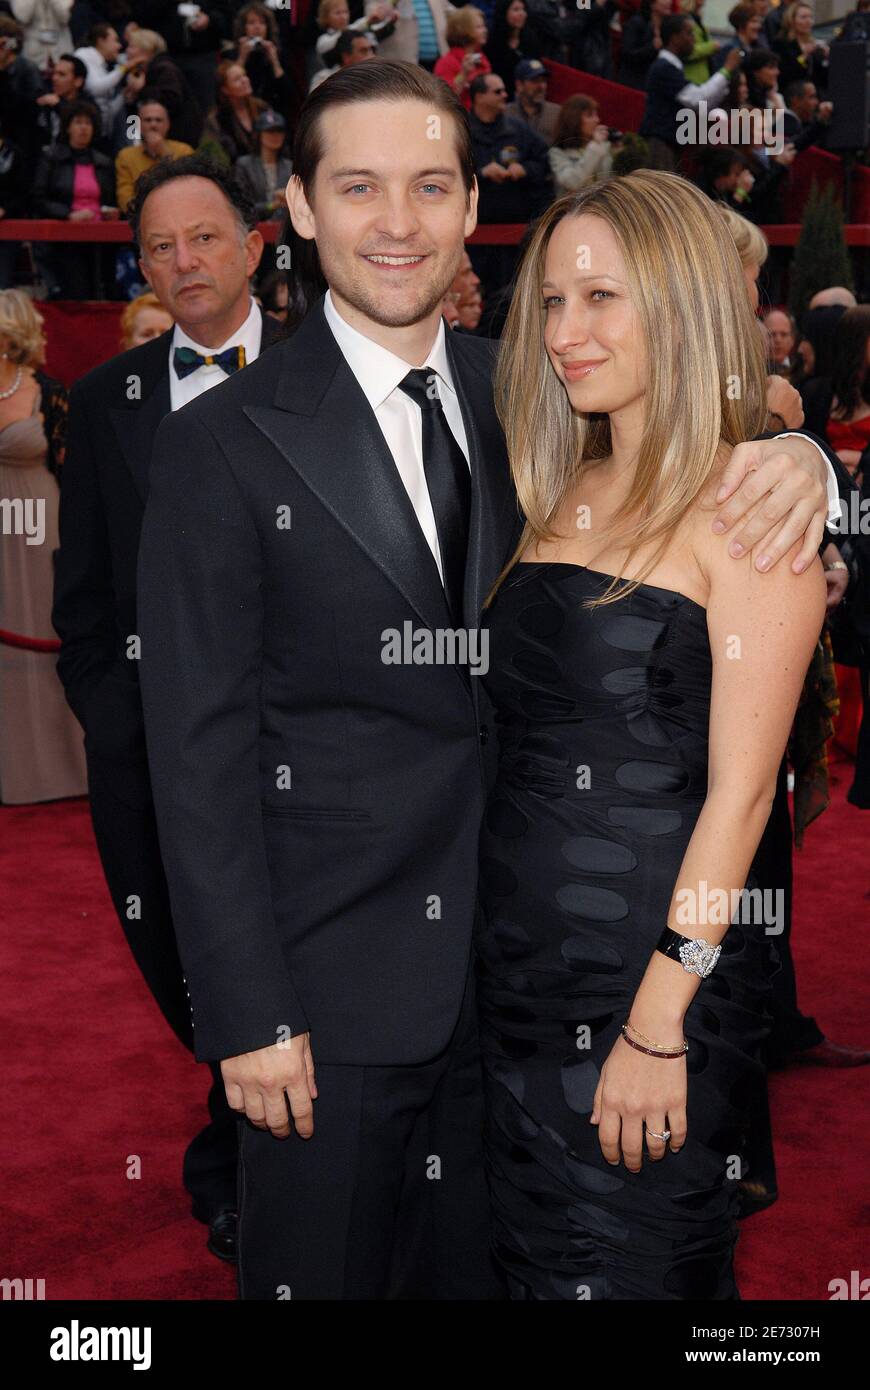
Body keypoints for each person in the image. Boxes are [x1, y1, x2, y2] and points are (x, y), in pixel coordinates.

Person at [134, 58, 841, 1302]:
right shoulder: (216, 450)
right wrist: (243, 1011)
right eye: (356, 187)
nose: (395, 223)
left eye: (427, 186)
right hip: (331, 1007)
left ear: (472, 207)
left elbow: (692, 460)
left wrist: (802, 460)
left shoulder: (524, 402)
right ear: (296, 209)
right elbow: (189, 760)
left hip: (527, 989)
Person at [476, 169, 827, 1300]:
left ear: (679, 303)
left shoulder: (749, 508)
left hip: (650, 983)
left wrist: (661, 1021)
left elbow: (741, 798)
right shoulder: (552, 484)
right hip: (509, 976)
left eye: (601, 298)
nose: (566, 333)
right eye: (548, 304)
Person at [51, 154, 289, 1266]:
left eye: (204, 238)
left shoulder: (334, 372)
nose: (183, 262)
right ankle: (238, 1126)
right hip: (158, 761)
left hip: (313, 749)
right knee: (190, 957)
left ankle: (269, 1166)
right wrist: (119, 726)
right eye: (159, 246)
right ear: (139, 264)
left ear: (254, 244)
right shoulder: (105, 403)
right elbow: (82, 595)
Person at [0, 289, 86, 805]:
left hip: (35, 522)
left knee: (36, 626)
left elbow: (71, 471)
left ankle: (53, 770)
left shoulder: (47, 391)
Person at [31, 99, 118, 300]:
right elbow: (37, 198)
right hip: (65, 238)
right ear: (68, 127)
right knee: (75, 291)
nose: (83, 128)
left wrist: (113, 211)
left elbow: (111, 198)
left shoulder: (104, 162)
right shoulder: (51, 157)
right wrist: (68, 214)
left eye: (88, 123)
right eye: (78, 123)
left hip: (100, 238)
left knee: (102, 291)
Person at [639, 15, 740, 172]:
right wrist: (726, 69)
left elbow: (703, 104)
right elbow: (698, 99)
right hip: (658, 145)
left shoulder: (672, 68)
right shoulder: (664, 68)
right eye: (689, 33)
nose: (694, 39)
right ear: (674, 38)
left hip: (669, 145)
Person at [114, 92, 194, 214]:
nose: (153, 124)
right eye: (148, 120)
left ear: (167, 125)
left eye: (158, 120)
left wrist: (164, 152)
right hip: (141, 218)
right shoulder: (126, 156)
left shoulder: (184, 150)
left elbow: (189, 189)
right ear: (139, 125)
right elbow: (125, 199)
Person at [233, 108, 293, 223]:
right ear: (259, 135)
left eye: (279, 131)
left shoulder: (290, 166)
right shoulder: (244, 165)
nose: (275, 136)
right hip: (253, 226)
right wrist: (271, 206)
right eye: (270, 131)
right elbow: (241, 206)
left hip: (284, 227)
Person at [548, 94, 614, 197]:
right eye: (590, 115)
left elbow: (609, 181)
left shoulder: (603, 145)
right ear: (574, 120)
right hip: (571, 210)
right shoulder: (557, 152)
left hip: (600, 208)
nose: (597, 120)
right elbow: (573, 183)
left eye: (596, 115)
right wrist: (594, 147)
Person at [435, 5, 492, 110]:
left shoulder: (482, 59)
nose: (485, 30)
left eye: (484, 26)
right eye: (479, 27)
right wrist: (463, 74)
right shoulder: (447, 62)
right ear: (462, 31)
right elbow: (445, 97)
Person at [484, 0, 542, 100]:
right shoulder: (492, 41)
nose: (521, 14)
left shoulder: (531, 40)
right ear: (504, 13)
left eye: (523, 9)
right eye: (516, 10)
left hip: (525, 96)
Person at [773, 2, 829, 95]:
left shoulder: (814, 44)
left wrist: (826, 58)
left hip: (814, 94)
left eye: (810, 17)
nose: (808, 21)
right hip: (792, 94)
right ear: (792, 20)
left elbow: (822, 77)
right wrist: (804, 56)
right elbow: (787, 74)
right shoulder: (782, 43)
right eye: (803, 17)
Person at [503, 56, 560, 146]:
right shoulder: (505, 114)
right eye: (535, 81)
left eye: (544, 81)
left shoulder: (557, 113)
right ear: (519, 85)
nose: (541, 86)